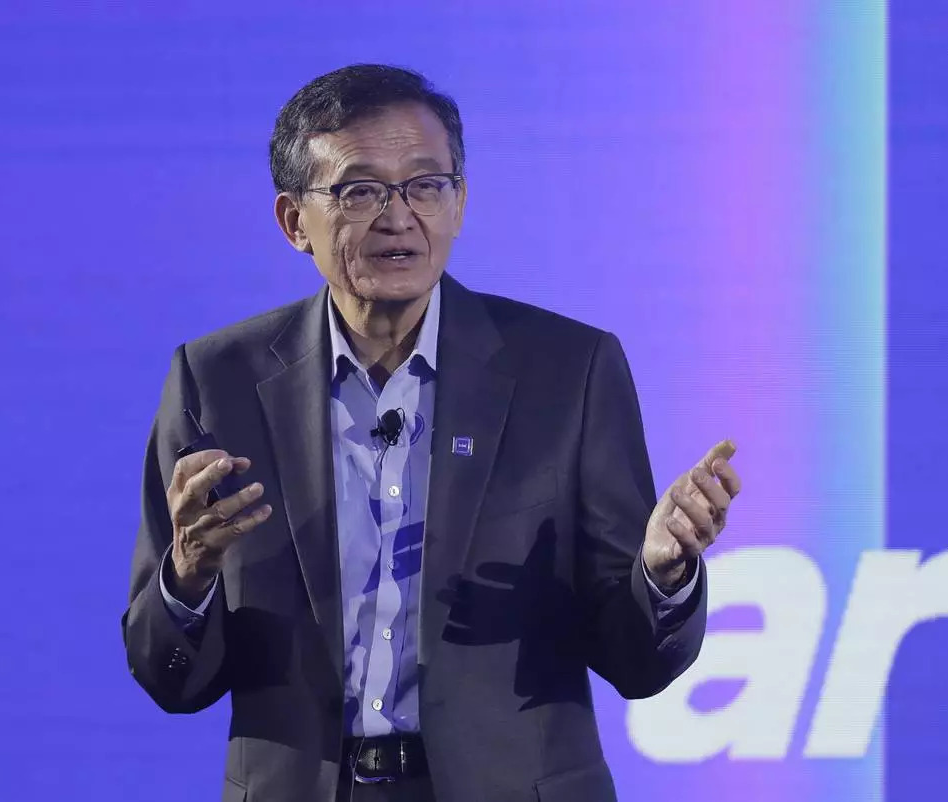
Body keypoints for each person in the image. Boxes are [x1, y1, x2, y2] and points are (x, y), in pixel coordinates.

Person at [122, 64, 742, 802]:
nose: (398, 217)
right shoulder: (216, 380)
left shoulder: (568, 370)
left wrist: (664, 575)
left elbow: (638, 663)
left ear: (459, 203)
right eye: (360, 191)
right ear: (294, 222)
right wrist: (189, 572)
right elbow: (169, 679)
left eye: (425, 185)